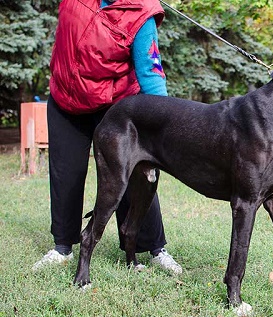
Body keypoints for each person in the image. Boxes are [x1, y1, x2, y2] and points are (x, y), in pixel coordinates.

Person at [33, 0, 182, 275]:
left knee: (135, 175)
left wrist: (162, 127)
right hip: (66, 99)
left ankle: (153, 248)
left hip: (117, 106)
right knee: (66, 174)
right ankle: (63, 247)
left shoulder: (142, 11)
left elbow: (150, 72)